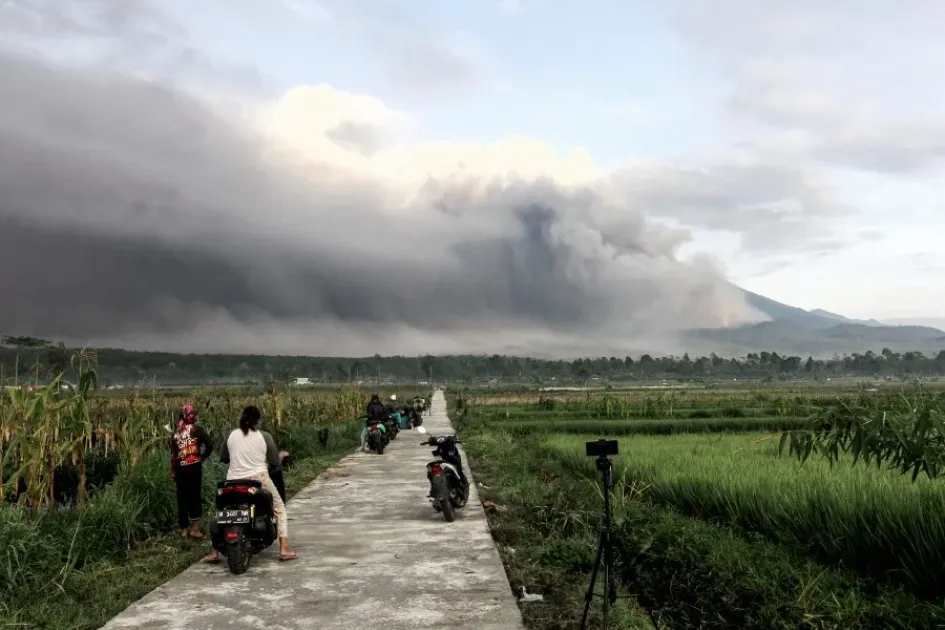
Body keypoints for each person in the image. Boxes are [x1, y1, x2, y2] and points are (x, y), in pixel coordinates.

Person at [203, 406, 298, 563]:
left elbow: (224, 459)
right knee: (280, 508)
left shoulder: (231, 435)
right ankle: (284, 549)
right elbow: (274, 462)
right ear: (258, 421)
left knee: (222, 510)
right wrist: (280, 456)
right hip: (258, 480)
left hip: (233, 481)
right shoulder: (265, 436)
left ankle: (214, 552)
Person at [170, 404, 213, 539]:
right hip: (194, 468)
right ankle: (195, 529)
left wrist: (173, 471)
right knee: (194, 497)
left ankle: (183, 530)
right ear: (192, 416)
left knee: (182, 499)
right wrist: (202, 458)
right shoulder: (197, 430)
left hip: (180, 469)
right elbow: (210, 444)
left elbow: (173, 454)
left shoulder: (176, 433)